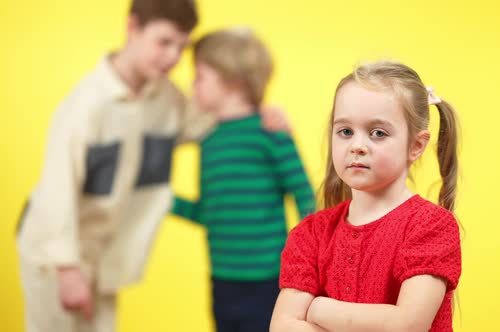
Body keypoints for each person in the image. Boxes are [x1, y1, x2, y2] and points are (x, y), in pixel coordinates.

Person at [16, 2, 286, 331]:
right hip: (55, 250)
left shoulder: (166, 100)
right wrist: (66, 267)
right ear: (133, 28)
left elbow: (215, 113)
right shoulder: (86, 105)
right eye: (164, 42)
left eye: (182, 47)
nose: (173, 57)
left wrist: (263, 114)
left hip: (104, 253)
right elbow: (56, 191)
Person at [270, 61, 462, 332]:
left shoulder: (430, 226)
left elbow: (406, 325)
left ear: (416, 145)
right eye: (345, 131)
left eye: (378, 133)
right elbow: (283, 327)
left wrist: (318, 308)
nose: (357, 146)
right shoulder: (310, 234)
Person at [171, 27, 315, 332]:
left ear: (233, 81)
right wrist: (164, 202)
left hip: (270, 282)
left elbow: (304, 196)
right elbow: (211, 213)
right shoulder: (207, 140)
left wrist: (311, 263)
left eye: (199, 77)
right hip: (222, 281)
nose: (192, 86)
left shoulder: (271, 132)